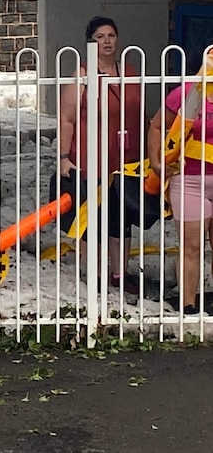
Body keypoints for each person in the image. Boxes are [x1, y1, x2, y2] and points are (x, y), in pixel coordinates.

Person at [52, 16, 145, 295]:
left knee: (121, 218)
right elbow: (66, 119)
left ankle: (120, 274)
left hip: (125, 158)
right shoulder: (81, 76)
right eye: (100, 37)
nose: (106, 41)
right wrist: (63, 157)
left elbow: (138, 112)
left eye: (111, 36)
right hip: (90, 158)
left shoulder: (128, 70)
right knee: (92, 217)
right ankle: (92, 271)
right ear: (90, 41)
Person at [148, 52, 213, 314]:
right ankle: (188, 308)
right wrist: (155, 162)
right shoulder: (186, 92)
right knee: (192, 245)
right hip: (188, 180)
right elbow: (156, 126)